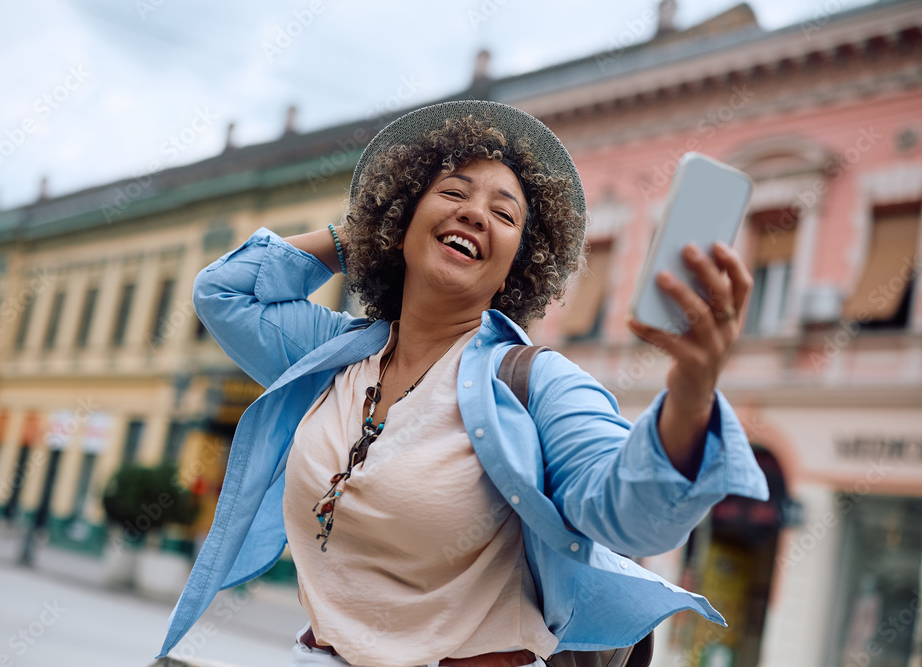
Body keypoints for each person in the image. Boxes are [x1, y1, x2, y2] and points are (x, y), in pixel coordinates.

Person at [157, 100, 769, 667]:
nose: (476, 212)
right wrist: (360, 235)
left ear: (516, 268)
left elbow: (630, 514)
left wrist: (692, 389)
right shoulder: (335, 353)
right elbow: (223, 292)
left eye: (505, 214)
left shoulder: (537, 382)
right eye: (452, 192)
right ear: (404, 219)